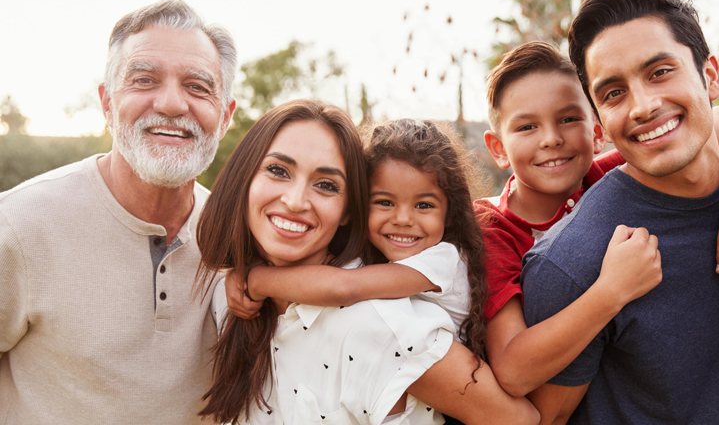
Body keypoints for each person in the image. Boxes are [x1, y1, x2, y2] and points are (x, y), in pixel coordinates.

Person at [197, 101, 538, 425]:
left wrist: (255, 279)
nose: (296, 200)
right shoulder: (222, 298)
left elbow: (517, 419)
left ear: (349, 209)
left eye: (326, 185)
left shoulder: (379, 323)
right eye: (277, 170)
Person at [519, 0, 719, 424]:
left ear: (710, 76)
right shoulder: (575, 263)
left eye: (660, 72)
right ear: (602, 126)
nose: (643, 106)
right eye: (613, 93)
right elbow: (546, 418)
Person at [0, 0, 236, 424]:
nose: (171, 104)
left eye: (198, 87)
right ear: (107, 104)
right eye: (144, 80)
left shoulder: (239, 239)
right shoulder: (19, 226)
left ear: (225, 118)